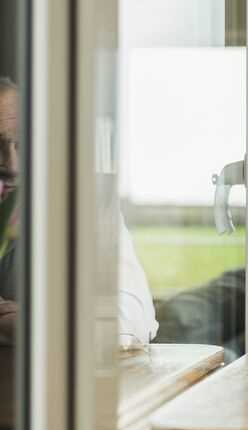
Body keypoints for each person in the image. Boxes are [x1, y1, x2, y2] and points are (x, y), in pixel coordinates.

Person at [0, 76, 158, 345]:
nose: (12, 166)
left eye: (22, 144)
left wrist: (28, 322)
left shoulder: (81, 203)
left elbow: (127, 324)